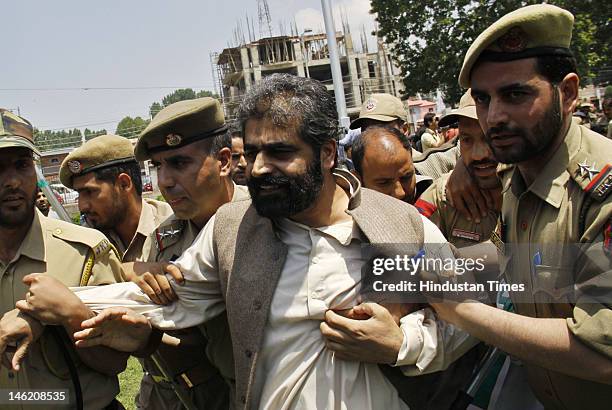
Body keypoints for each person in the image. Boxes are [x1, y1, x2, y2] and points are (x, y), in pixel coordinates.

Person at [73, 74, 478, 410]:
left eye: (280, 152)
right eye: (252, 152)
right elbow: (168, 296)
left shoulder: (393, 223)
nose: (260, 168)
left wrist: (400, 343)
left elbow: (470, 314)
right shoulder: (235, 229)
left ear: (326, 154)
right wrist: (65, 303)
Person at [430, 5, 612, 409]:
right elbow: (517, 266)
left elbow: (603, 351)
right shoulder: (517, 174)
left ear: (566, 93)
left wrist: (457, 308)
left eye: (515, 94)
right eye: (482, 98)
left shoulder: (601, 192)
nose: (494, 117)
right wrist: (408, 274)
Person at [126, 97, 250, 410]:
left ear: (223, 162)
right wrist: (133, 274)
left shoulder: (262, 217)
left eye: (179, 163)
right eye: (158, 166)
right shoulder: (165, 237)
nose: (165, 181)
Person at [0, 108, 127, 409]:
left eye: (21, 165)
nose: (12, 182)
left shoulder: (84, 252)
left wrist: (71, 316)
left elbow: (115, 361)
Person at [59, 134, 172, 262]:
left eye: (89, 192)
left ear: (124, 184)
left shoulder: (174, 225)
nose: (82, 206)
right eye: (79, 193)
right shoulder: (85, 239)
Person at [415, 90, 500, 248]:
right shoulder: (443, 195)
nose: (478, 155)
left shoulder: (531, 185)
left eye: (488, 138)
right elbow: (408, 254)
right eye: (467, 139)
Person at [350, 93, 460, 179]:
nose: (375, 137)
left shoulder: (434, 165)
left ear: (405, 129)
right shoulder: (361, 176)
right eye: (367, 129)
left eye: (382, 128)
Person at [351, 125, 432, 204]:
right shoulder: (348, 215)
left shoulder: (434, 198)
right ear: (357, 181)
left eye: (406, 177)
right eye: (384, 182)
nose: (400, 193)